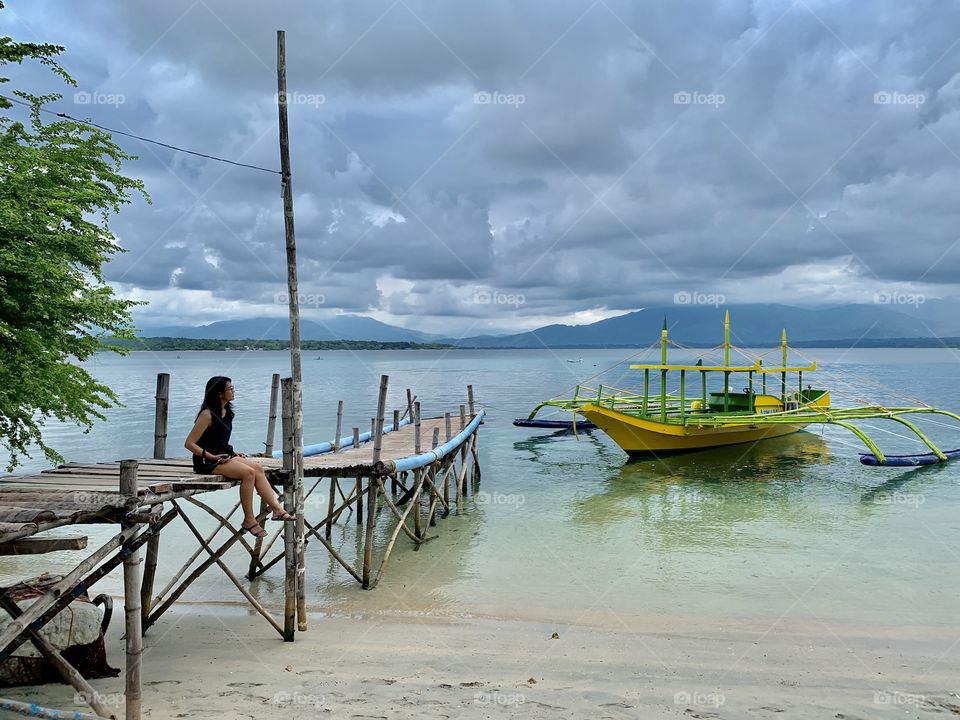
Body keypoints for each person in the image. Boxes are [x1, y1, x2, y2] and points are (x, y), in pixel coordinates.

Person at [184, 376, 294, 538]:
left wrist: (234, 455)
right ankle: (249, 520)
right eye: (230, 388)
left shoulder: (228, 412)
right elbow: (189, 443)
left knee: (257, 468)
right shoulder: (207, 415)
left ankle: (277, 510)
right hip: (207, 461)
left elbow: (219, 440)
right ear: (220, 393)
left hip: (225, 455)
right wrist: (212, 457)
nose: (233, 391)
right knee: (247, 473)